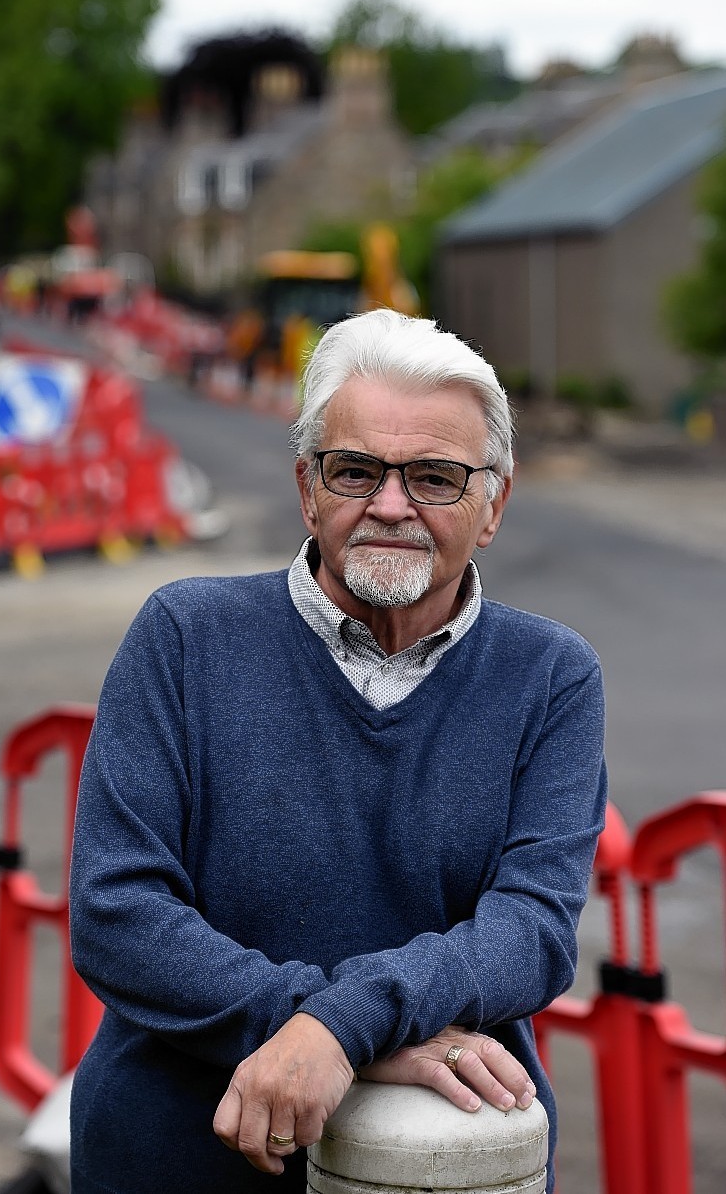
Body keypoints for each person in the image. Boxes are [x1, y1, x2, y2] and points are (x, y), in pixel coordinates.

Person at [68, 309, 607, 1194]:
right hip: (177, 1158)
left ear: (495, 505)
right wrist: (317, 1025)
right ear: (308, 488)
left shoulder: (549, 677)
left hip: (441, 1169)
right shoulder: (184, 636)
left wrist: (343, 1028)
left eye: (436, 477)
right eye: (355, 470)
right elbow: (117, 911)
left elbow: (531, 932)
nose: (390, 506)